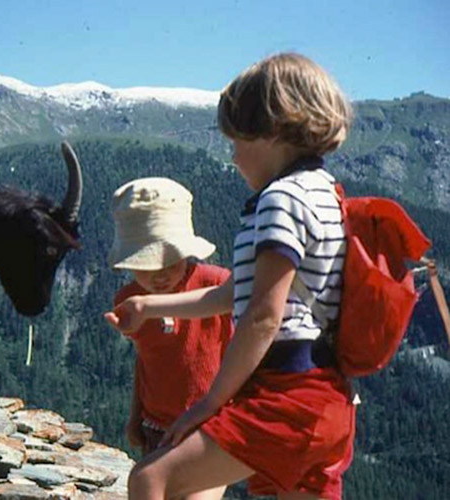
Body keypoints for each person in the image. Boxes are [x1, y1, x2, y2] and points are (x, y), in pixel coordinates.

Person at [104, 52, 354, 500]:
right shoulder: (325, 193)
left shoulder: (281, 200)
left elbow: (261, 316)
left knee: (150, 478)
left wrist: (210, 404)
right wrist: (148, 306)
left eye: (237, 140)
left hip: (287, 395)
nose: (234, 157)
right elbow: (233, 294)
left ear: (273, 130)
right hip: (328, 398)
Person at [108, 177, 233, 500]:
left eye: (170, 261)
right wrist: (135, 418)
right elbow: (145, 359)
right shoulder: (129, 299)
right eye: (147, 264)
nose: (160, 274)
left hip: (210, 425)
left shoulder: (217, 286)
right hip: (156, 428)